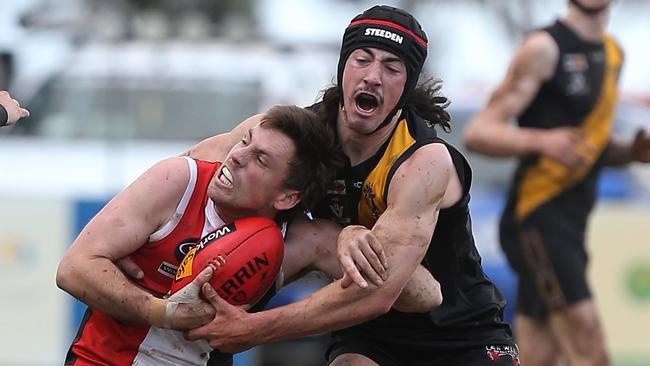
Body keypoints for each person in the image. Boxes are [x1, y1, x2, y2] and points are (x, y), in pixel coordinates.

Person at [185, 5, 518, 366]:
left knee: (391, 274)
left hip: (460, 329)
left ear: (406, 87)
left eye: (391, 68)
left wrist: (253, 329)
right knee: (284, 239)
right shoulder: (298, 133)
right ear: (343, 68)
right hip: (370, 330)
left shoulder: (423, 160)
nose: (372, 76)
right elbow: (191, 169)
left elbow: (380, 291)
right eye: (362, 60)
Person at [57, 105, 440, 366]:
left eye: (261, 160)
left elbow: (425, 294)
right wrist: (163, 312)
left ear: (287, 196)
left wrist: (351, 236)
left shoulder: (300, 240)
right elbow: (73, 268)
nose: (237, 156)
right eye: (245, 142)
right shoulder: (180, 180)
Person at [463, 1, 650, 365]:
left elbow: (590, 147)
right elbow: (479, 132)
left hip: (572, 220)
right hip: (536, 217)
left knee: (540, 354)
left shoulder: (613, 54)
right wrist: (542, 141)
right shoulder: (543, 48)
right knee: (590, 347)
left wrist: (629, 152)